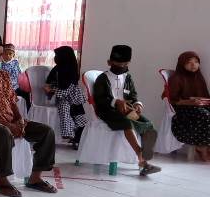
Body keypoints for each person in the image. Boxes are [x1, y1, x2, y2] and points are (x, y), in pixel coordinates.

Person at [0, 34, 57, 197]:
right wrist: (9, 125)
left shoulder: (4, 76)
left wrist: (19, 120)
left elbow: (13, 101)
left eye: (0, 54)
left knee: (47, 132)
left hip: (8, 119)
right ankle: (2, 181)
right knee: (3, 133)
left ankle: (35, 178)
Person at [93, 45, 160, 175]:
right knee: (127, 123)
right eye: (118, 63)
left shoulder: (127, 78)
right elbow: (99, 99)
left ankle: (145, 155)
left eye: (124, 64)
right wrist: (115, 102)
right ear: (109, 62)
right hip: (107, 111)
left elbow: (133, 96)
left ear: (128, 63)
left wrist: (137, 104)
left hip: (127, 111)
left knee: (147, 124)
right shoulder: (102, 78)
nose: (121, 66)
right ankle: (142, 159)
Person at [169, 51, 210, 160]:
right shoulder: (176, 78)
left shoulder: (198, 77)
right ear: (182, 63)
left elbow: (205, 96)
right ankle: (202, 146)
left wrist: (201, 101)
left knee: (205, 112)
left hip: (198, 106)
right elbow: (173, 101)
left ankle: (205, 146)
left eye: (196, 62)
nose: (194, 65)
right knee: (205, 115)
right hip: (182, 110)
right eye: (189, 62)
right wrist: (190, 102)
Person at [44, 46, 87, 148]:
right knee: (67, 110)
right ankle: (73, 134)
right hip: (64, 98)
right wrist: (50, 88)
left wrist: (54, 89)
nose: (55, 57)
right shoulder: (58, 68)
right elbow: (49, 82)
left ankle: (77, 136)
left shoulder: (70, 70)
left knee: (75, 113)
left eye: (57, 55)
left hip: (72, 97)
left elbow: (68, 86)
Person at [1, 43, 29, 109]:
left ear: (13, 54)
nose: (8, 55)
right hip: (4, 88)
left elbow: (19, 73)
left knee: (27, 94)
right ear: (2, 54)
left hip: (16, 87)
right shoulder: (0, 64)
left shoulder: (15, 62)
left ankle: (28, 114)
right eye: (5, 53)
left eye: (10, 54)